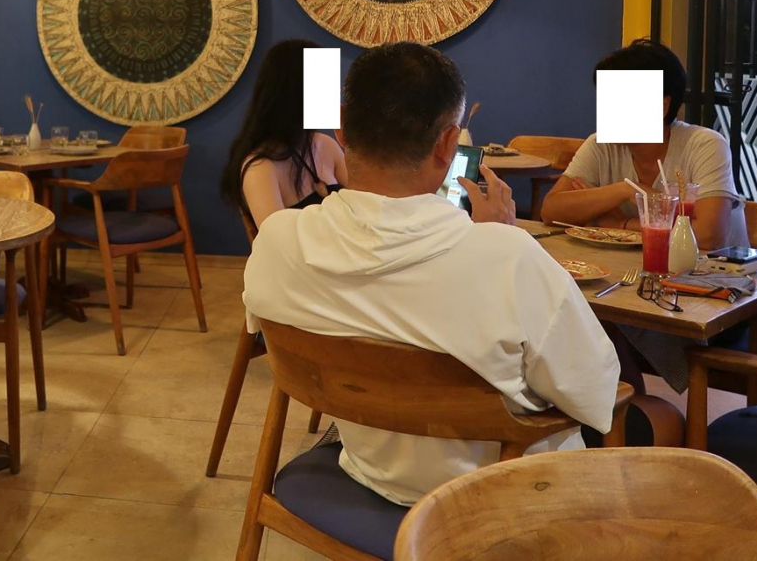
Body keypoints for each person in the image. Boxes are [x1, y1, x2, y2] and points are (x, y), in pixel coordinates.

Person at [243, 42, 619, 506]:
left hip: (365, 471)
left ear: (341, 127)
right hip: (499, 499)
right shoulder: (509, 259)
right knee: (649, 416)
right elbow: (596, 393)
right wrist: (497, 241)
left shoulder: (278, 241)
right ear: (448, 143)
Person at [540, 38, 746, 250]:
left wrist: (623, 224)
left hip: (714, 268)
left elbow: (709, 236)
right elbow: (551, 211)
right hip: (633, 263)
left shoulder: (705, 146)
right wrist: (625, 190)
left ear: (662, 106)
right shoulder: (600, 145)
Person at [220, 39, 349, 229]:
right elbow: (276, 241)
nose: (336, 95)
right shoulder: (261, 168)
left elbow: (363, 205)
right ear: (294, 93)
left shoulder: (325, 144)